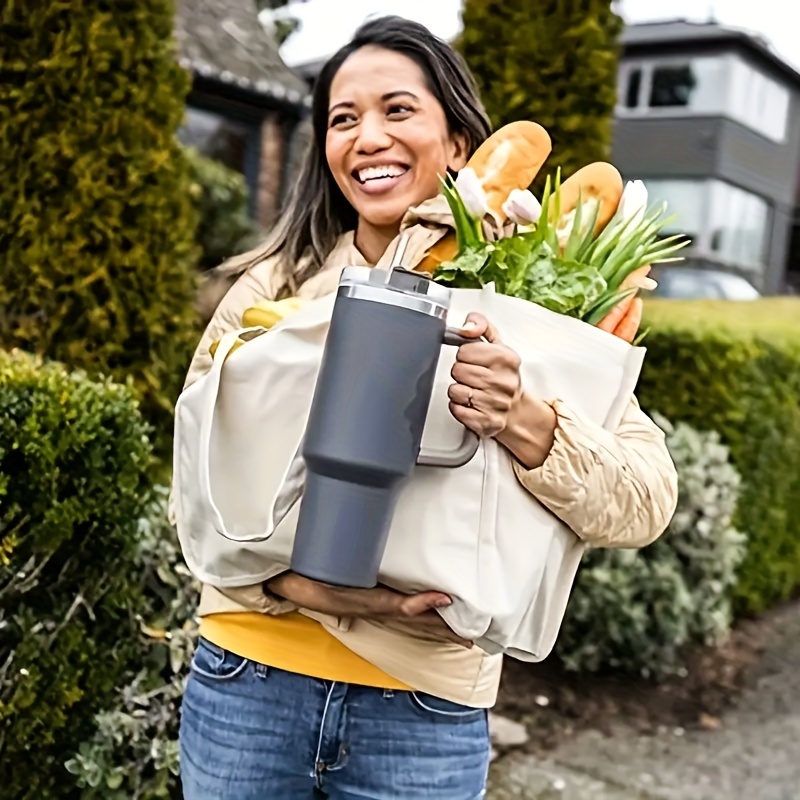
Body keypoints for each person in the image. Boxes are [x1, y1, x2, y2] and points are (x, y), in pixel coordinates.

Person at [177, 16, 679, 800]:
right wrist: (304, 588)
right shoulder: (272, 287)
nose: (367, 136)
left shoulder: (531, 296)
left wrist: (526, 421)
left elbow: (646, 501)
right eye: (343, 119)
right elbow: (195, 484)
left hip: (424, 708)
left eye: (398, 110)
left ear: (457, 144)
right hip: (250, 679)